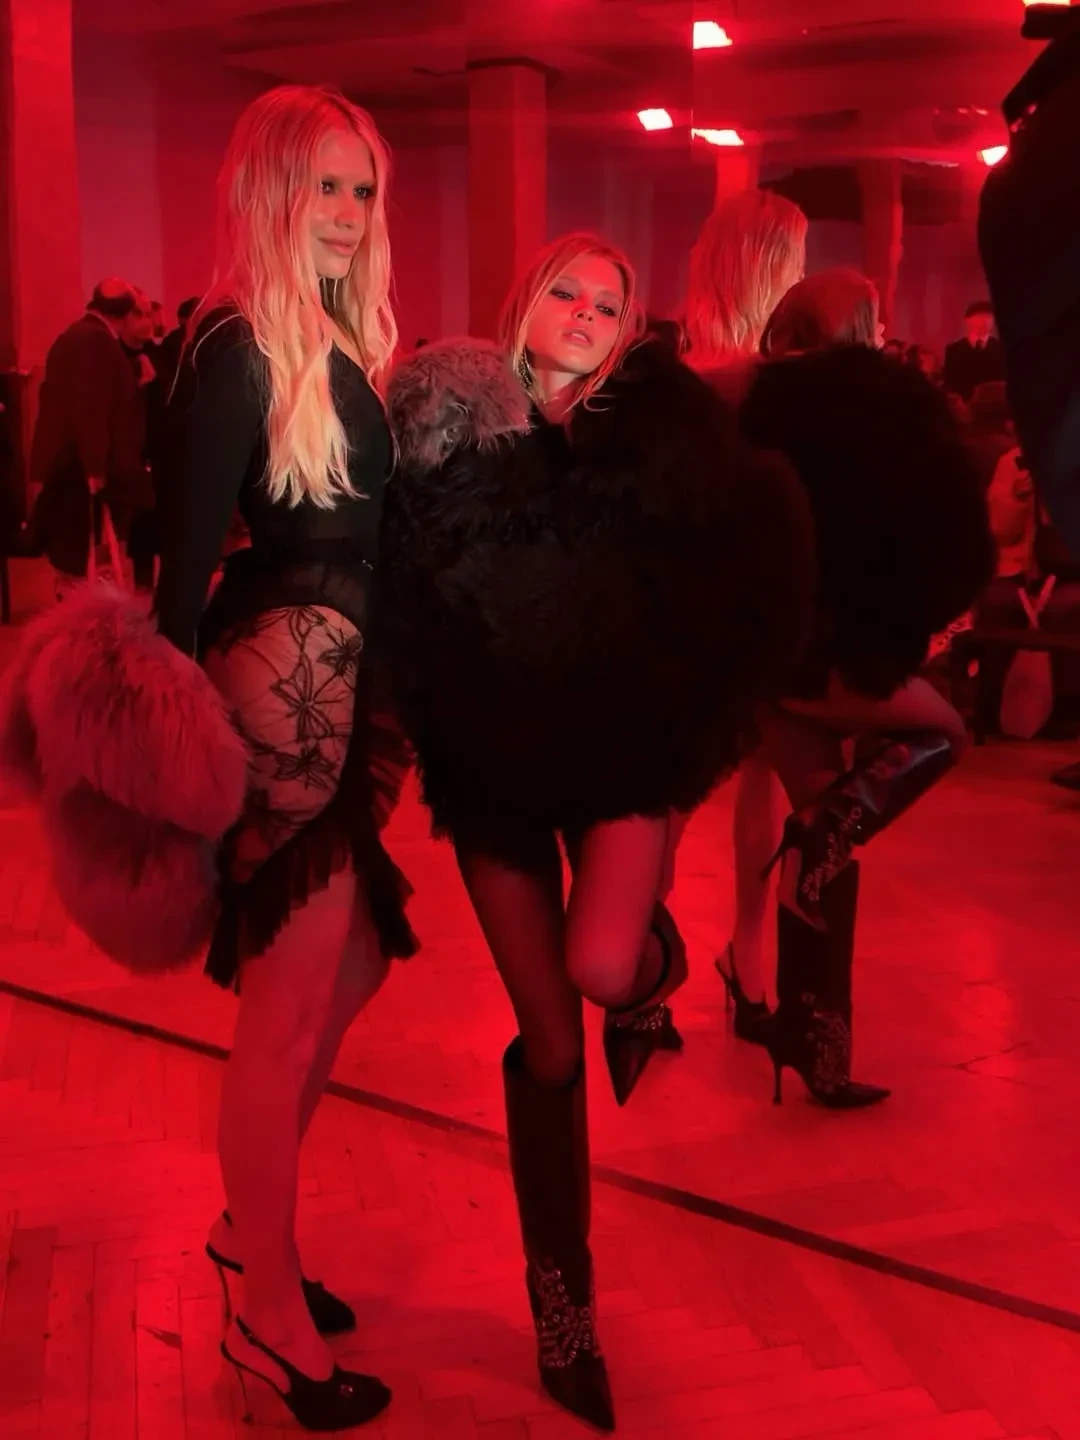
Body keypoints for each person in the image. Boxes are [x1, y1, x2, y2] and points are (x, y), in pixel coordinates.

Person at [379, 233, 814, 1430]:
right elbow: (404, 589)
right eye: (565, 292)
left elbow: (743, 570)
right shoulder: (457, 429)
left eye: (608, 303)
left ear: (629, 329)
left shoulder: (662, 432)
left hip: (622, 754)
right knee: (547, 1041)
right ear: (523, 304)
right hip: (495, 770)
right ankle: (562, 1308)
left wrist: (688, 721)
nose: (584, 312)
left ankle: (657, 976)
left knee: (604, 964)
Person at [152, 84, 418, 1430]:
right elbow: (179, 571)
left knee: (347, 971)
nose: (350, 212)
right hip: (280, 689)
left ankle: (244, 1231)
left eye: (363, 189)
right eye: (326, 185)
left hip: (342, 680)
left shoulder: (331, 337)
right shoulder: (233, 347)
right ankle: (265, 1310)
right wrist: (166, 755)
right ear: (269, 188)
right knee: (287, 1009)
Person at [724, 273, 995, 1104]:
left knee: (819, 826)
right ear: (866, 328)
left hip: (764, 648)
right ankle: (822, 858)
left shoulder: (749, 405)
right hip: (838, 652)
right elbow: (958, 542)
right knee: (944, 732)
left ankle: (816, 1043)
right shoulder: (897, 410)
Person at [682, 191, 809, 1043]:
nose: (802, 273)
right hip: (720, 599)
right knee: (686, 790)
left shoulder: (716, 374)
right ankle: (739, 960)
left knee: (748, 780)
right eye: (793, 258)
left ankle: (737, 958)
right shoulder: (738, 379)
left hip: (742, 595)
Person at [27, 280, 148, 597]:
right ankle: (83, 614)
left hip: (68, 461)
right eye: (139, 313)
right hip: (82, 465)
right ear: (125, 314)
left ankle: (75, 605)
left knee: (77, 556)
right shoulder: (96, 342)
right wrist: (96, 467)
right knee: (86, 555)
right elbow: (92, 407)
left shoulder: (75, 336)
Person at [942, 301, 1005, 403]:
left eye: (989, 317)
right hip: (963, 404)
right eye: (980, 316)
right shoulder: (954, 349)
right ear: (968, 320)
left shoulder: (1000, 348)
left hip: (994, 404)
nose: (985, 321)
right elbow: (950, 382)